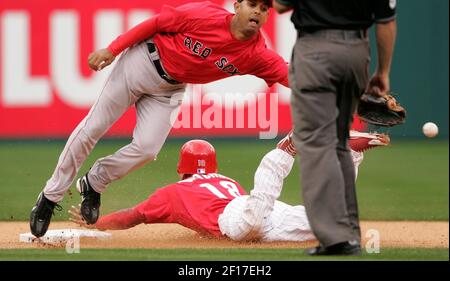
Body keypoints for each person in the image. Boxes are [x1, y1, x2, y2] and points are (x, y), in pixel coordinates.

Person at [29, 0, 290, 238]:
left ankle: (94, 182)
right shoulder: (205, 14)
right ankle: (50, 197)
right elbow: (155, 24)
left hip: (170, 89)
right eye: (252, 4)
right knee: (92, 128)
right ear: (237, 6)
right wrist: (113, 49)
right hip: (143, 62)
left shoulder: (258, 55)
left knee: (146, 149)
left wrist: (324, 90)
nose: (257, 11)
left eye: (264, 8)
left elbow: (293, 77)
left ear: (268, 16)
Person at [68, 131, 389, 242]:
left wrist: (98, 223)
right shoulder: (225, 181)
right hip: (263, 214)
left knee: (257, 207)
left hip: (243, 218)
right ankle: (350, 156)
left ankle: (286, 148)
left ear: (182, 168)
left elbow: (132, 217)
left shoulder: (172, 193)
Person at [273, 0, 397, 255]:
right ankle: (348, 232)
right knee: (338, 141)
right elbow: (386, 21)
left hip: (315, 48)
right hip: (357, 50)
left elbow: (280, 3)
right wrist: (383, 72)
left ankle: (335, 238)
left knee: (316, 141)